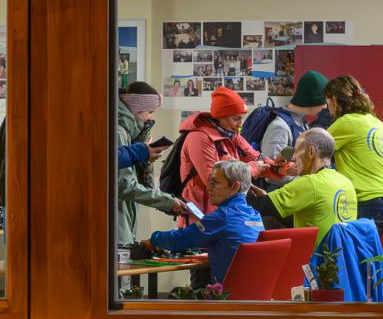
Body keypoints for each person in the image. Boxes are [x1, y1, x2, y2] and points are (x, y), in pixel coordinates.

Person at [141, 160, 263, 285]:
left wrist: (154, 239)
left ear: (235, 187)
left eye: (215, 183)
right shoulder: (255, 216)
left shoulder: (223, 216)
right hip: (253, 289)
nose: (208, 188)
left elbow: (181, 239)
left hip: (227, 292)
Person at [323, 74, 383, 246]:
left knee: (361, 263)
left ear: (335, 100)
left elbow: (312, 147)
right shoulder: (376, 122)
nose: (327, 108)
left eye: (327, 102)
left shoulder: (347, 122)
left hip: (370, 206)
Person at [251, 127, 357, 247]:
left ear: (311, 152)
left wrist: (246, 172)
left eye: (296, 151)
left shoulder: (310, 183)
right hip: (343, 254)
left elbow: (257, 206)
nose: (293, 158)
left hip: (315, 257)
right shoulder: (346, 183)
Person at [177, 86, 272, 216]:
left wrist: (279, 167)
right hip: (202, 215)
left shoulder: (232, 135)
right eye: (236, 119)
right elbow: (213, 180)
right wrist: (252, 168)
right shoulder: (199, 138)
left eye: (241, 118)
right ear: (221, 116)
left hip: (226, 212)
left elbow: (255, 157)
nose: (240, 124)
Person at [116, 83, 184, 247]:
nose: (151, 119)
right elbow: (125, 185)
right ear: (136, 109)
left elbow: (136, 181)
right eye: (150, 112)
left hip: (121, 222)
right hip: (115, 226)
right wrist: (168, 201)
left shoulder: (127, 134)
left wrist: (145, 159)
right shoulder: (119, 133)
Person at [259, 70, 328, 162]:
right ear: (311, 99)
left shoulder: (301, 124)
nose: (325, 106)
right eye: (323, 101)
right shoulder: (280, 127)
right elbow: (272, 168)